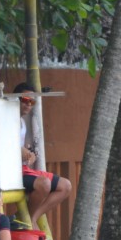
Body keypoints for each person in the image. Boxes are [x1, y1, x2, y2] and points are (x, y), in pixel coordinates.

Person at [14, 81, 72, 228]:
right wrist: (18, 150)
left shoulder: (22, 122)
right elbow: (1, 144)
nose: (28, 104)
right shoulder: (5, 119)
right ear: (16, 99)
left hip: (24, 169)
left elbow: (21, 149)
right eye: (25, 100)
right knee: (44, 184)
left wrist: (29, 154)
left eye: (32, 101)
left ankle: (30, 217)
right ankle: (29, 220)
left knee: (66, 186)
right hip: (12, 172)